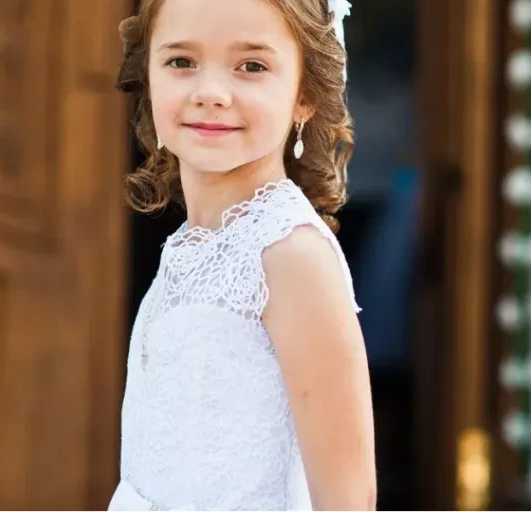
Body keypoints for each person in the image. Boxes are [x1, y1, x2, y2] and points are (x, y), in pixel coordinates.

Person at [110, 0, 376, 509]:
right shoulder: (194, 244)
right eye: (181, 62)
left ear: (306, 95)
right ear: (147, 76)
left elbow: (349, 498)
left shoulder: (290, 255)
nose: (210, 93)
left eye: (252, 66)